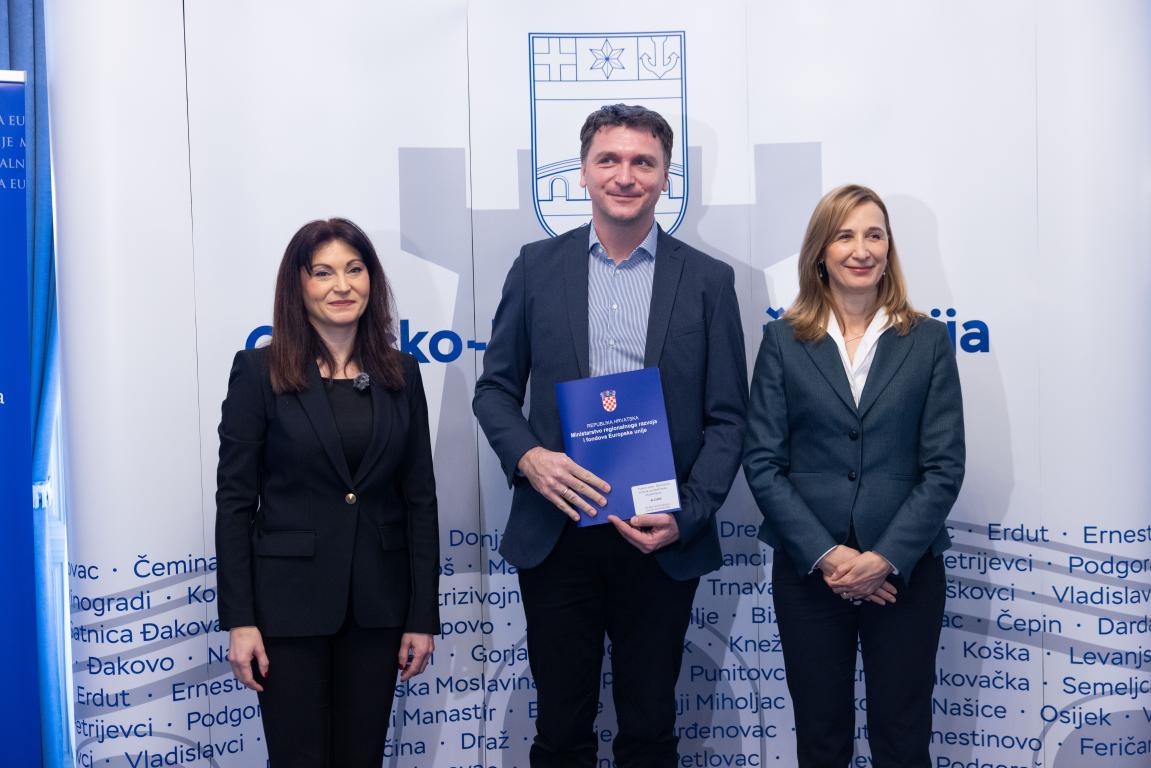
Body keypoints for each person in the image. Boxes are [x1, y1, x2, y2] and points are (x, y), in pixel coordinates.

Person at [473, 104, 748, 767]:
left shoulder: (708, 281)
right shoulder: (536, 267)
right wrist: (529, 457)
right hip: (558, 531)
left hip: (658, 535)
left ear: (665, 177)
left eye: (642, 162)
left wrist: (686, 513)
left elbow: (728, 418)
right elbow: (494, 390)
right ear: (583, 171)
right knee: (560, 731)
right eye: (609, 160)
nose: (625, 175)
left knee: (649, 731)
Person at [743, 185, 965, 767]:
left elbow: (944, 467)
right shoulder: (782, 341)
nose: (861, 249)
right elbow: (762, 462)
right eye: (844, 235)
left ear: (889, 249)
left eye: (874, 235)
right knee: (821, 740)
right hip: (810, 573)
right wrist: (829, 556)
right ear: (821, 250)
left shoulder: (928, 340)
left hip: (905, 573)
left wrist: (884, 558)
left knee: (903, 739)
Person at [215, 218, 440, 768]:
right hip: (287, 611)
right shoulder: (259, 372)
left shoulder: (402, 373)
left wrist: (421, 616)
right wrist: (241, 620)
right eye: (323, 273)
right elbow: (235, 503)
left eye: (354, 270)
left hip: (378, 609)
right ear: (298, 285)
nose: (342, 286)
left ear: (371, 280)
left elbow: (420, 500)